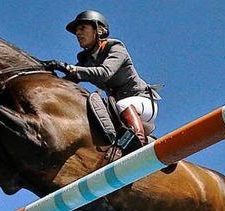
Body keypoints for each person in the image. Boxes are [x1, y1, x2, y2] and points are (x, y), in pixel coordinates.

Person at [43, 10, 160, 148]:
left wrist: (69, 67)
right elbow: (70, 79)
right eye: (76, 32)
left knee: (123, 104)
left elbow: (104, 72)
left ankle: (139, 143)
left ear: (98, 30)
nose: (78, 34)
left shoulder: (115, 48)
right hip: (118, 108)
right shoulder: (87, 59)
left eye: (82, 28)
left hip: (143, 101)